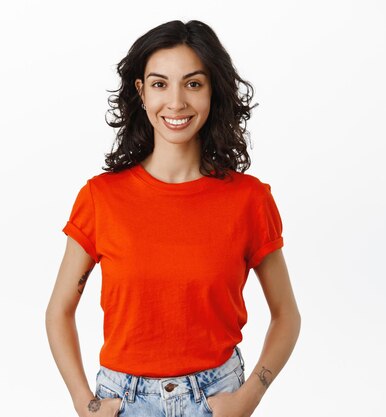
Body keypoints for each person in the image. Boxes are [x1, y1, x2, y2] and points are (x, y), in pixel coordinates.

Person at [45, 19, 300, 417]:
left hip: (217, 397)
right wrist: (84, 401)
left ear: (213, 91)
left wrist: (248, 398)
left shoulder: (250, 200)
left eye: (193, 83)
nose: (176, 102)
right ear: (141, 92)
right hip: (123, 401)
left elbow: (287, 315)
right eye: (160, 84)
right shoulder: (101, 198)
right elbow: (59, 310)